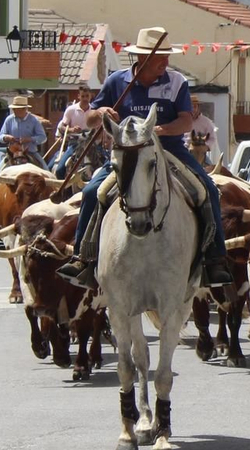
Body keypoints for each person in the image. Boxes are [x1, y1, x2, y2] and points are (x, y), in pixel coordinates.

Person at [58, 26, 234, 291]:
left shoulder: (176, 82)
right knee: (93, 192)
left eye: (166, 57)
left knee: (207, 189)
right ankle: (83, 257)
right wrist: (102, 112)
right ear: (142, 58)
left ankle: (215, 258)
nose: (166, 62)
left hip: (170, 150)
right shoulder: (117, 82)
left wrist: (156, 131)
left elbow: (185, 122)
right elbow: (90, 119)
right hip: (127, 153)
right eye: (160, 58)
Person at [52, 85, 94, 176]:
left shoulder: (94, 110)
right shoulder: (71, 110)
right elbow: (61, 127)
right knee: (59, 170)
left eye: (87, 96)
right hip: (75, 143)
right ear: (78, 96)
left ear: (91, 96)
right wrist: (72, 129)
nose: (85, 99)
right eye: (83, 96)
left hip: (91, 144)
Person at [0, 96, 48, 168]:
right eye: (13, 109)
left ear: (24, 109)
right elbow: (0, 136)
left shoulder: (34, 120)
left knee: (46, 170)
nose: (14, 111)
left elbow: (43, 137)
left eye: (16, 109)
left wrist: (29, 139)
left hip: (30, 152)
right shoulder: (9, 119)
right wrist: (6, 137)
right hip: (12, 154)